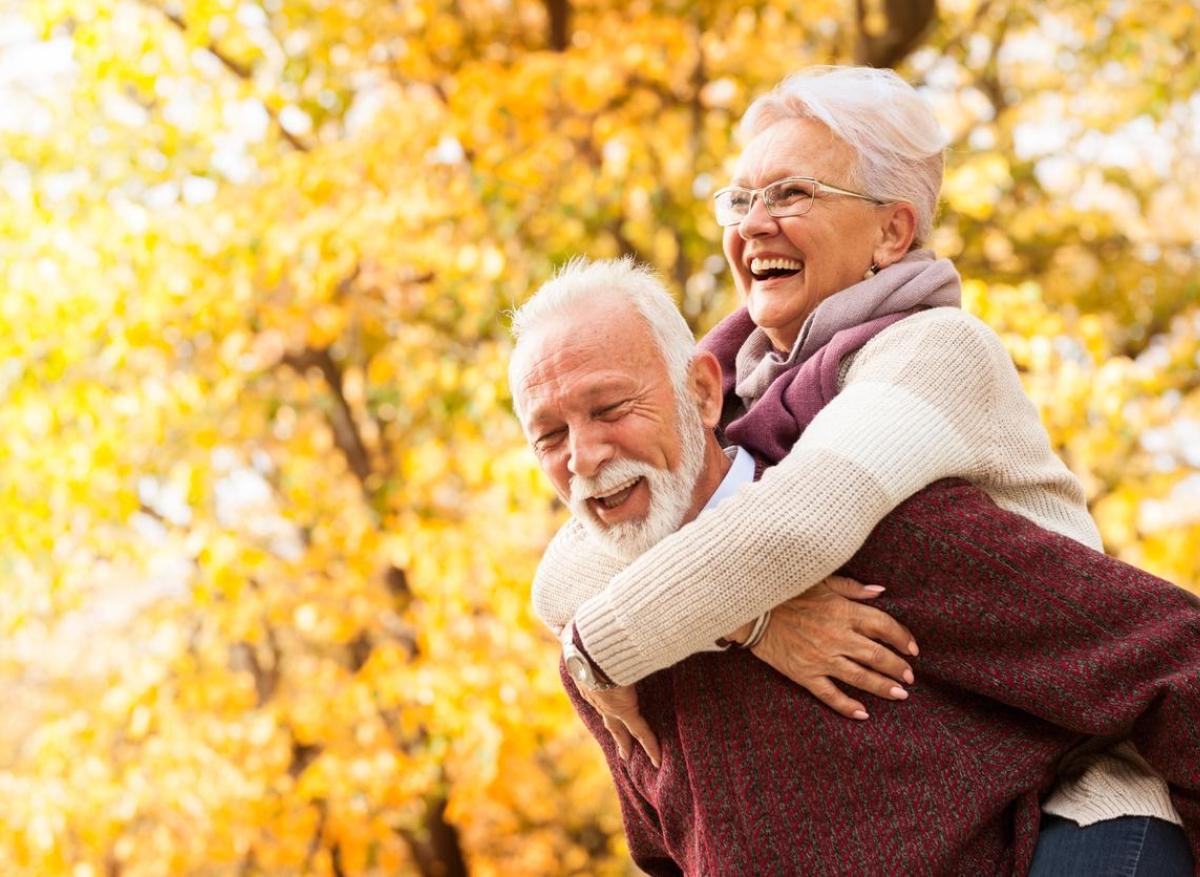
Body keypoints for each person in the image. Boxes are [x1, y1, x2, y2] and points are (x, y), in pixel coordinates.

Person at [522, 66, 1198, 873]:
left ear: (891, 232)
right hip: (949, 787)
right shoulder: (735, 384)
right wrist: (754, 622)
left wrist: (596, 647)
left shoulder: (935, 350)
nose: (754, 224)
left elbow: (800, 524)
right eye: (739, 201)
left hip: (1065, 782)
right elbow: (574, 558)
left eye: (792, 194)